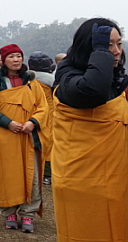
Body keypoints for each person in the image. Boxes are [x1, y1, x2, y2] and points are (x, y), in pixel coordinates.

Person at [52, 18, 128, 242]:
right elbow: (92, 91)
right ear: (90, 48)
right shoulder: (68, 79)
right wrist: (100, 53)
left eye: (119, 44)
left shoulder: (119, 81)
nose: (115, 51)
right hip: (83, 184)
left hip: (117, 181)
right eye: (107, 45)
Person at [0, 44, 47, 233]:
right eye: (12, 57)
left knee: (31, 175)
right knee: (8, 174)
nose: (16, 60)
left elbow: (43, 107)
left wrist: (33, 122)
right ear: (3, 60)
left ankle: (28, 214)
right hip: (5, 137)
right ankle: (9, 211)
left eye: (19, 56)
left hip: (28, 136)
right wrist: (8, 123)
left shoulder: (32, 83)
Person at [27, 51, 55, 186]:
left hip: (31, 113)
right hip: (49, 114)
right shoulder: (51, 80)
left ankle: (33, 170)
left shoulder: (27, 79)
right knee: (49, 143)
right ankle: (47, 174)